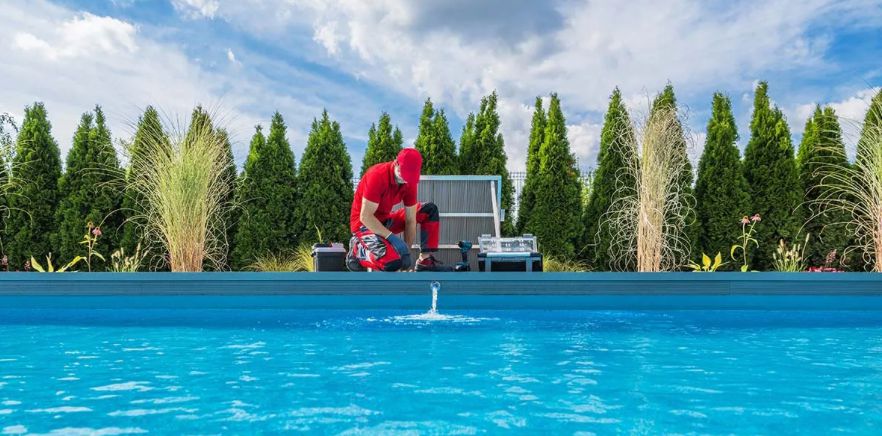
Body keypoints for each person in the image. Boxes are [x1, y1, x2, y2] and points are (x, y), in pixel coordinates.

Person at [347, 148, 448, 272]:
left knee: (428, 210)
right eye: (403, 173)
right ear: (396, 162)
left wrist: (406, 253)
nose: (406, 179)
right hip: (364, 225)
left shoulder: (409, 181)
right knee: (392, 263)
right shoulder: (377, 175)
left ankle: (424, 261)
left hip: (385, 221)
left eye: (409, 176)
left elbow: (411, 220)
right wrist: (391, 238)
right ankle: (358, 252)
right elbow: (365, 217)